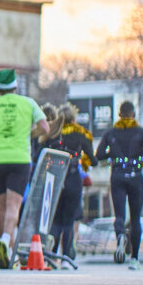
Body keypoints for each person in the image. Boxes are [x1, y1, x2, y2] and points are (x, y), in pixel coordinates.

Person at [0, 68, 49, 269]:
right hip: (20, 159)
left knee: (2, 206)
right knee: (14, 206)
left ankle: (7, 254)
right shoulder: (28, 103)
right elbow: (45, 127)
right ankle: (5, 242)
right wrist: (30, 134)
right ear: (15, 86)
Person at [95, 100, 143, 270]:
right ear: (133, 114)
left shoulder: (110, 132)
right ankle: (134, 258)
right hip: (135, 175)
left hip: (117, 175)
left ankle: (120, 235)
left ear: (119, 114)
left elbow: (99, 154)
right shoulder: (142, 132)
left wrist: (113, 154)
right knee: (135, 218)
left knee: (119, 215)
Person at [49, 104, 95, 260]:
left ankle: (51, 254)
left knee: (56, 220)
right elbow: (93, 159)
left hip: (56, 178)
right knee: (69, 221)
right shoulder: (81, 134)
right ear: (74, 119)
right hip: (73, 178)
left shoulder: (53, 134)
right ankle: (67, 256)